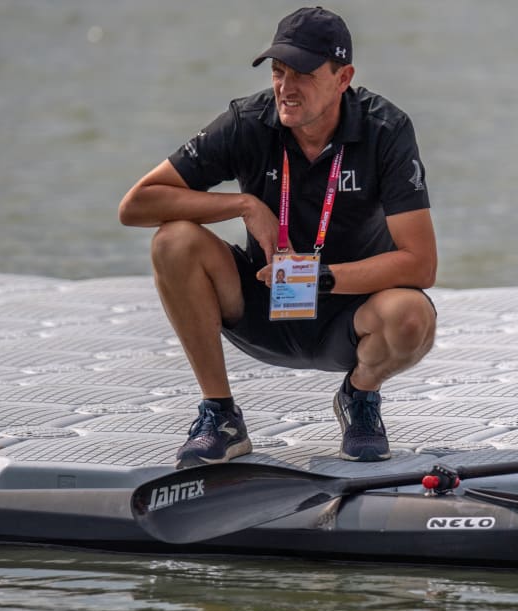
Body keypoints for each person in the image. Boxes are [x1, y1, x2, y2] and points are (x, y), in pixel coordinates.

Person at [119, 7, 437, 468]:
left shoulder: (385, 130)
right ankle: (220, 415)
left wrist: (317, 278)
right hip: (262, 303)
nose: (286, 87)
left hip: (349, 316)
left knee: (412, 316)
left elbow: (420, 264)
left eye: (304, 73)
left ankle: (359, 397)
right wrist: (244, 205)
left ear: (343, 76)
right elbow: (137, 205)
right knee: (174, 241)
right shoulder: (249, 121)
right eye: (278, 71)